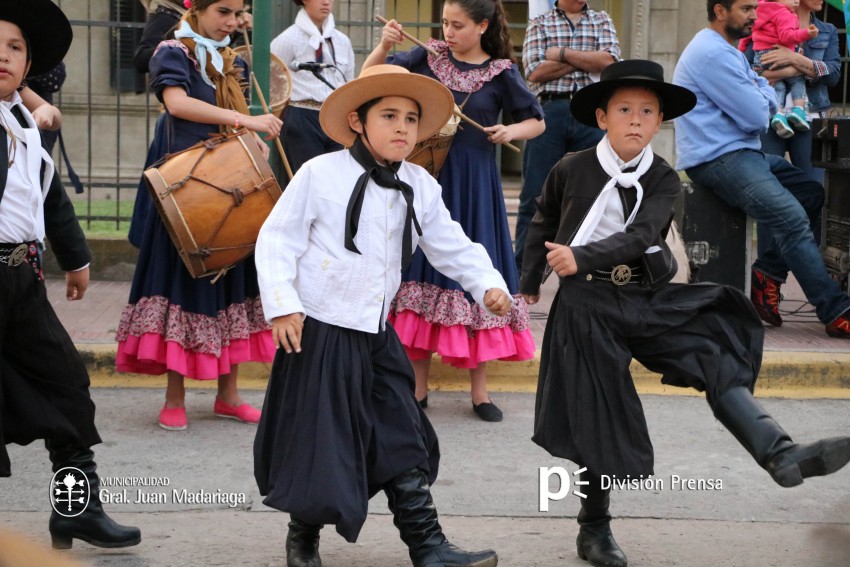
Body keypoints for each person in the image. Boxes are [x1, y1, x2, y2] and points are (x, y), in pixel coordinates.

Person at [521, 58, 850, 567]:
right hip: (585, 303)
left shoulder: (663, 178)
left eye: (647, 111)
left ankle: (780, 452)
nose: (635, 120)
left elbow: (639, 236)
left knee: (713, 346)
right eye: (624, 109)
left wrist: (580, 254)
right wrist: (528, 285)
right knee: (596, 411)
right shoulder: (572, 168)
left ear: (659, 122)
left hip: (643, 298)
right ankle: (595, 529)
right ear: (602, 118)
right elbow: (541, 220)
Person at [253, 64, 507, 567]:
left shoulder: (418, 183)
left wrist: (489, 285)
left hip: (376, 333)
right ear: (357, 121)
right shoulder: (319, 174)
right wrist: (282, 304)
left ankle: (429, 547)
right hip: (320, 329)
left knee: (401, 430)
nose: (402, 128)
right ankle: (302, 540)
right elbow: (277, 238)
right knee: (318, 441)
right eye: (389, 116)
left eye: (411, 119)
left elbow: (451, 244)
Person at [0, 0, 141, 550]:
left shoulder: (24, 124)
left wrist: (76, 258)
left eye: (15, 48)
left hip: (22, 281)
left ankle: (75, 512)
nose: (4, 56)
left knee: (66, 387)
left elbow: (48, 196)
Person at [362, 0, 545, 421]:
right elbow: (371, 79)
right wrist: (383, 44)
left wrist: (510, 130)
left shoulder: (501, 72)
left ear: (482, 26)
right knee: (422, 273)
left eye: (458, 25)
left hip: (476, 187)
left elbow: (536, 121)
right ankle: (418, 387)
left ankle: (480, 393)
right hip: (428, 181)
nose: (448, 31)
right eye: (445, 22)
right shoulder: (426, 56)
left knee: (480, 274)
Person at [115, 0, 283, 431]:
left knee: (230, 284)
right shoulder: (174, 50)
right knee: (180, 284)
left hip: (230, 180)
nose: (233, 21)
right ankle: (175, 396)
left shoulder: (230, 59)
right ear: (198, 9)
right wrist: (241, 118)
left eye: (238, 12)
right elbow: (177, 104)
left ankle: (228, 395)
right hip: (185, 180)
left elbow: (234, 120)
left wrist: (249, 135)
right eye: (223, 12)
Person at [674, 0, 850, 336]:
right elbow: (758, 115)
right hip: (719, 159)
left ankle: (767, 273)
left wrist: (760, 91)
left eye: (755, 7)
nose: (755, 14)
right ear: (720, 11)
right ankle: (837, 310)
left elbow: (760, 93)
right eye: (746, 8)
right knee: (792, 218)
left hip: (741, 153)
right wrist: (762, 92)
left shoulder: (727, 50)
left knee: (811, 193)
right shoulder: (713, 53)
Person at [513, 0, 619, 275]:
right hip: (550, 112)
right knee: (535, 195)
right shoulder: (541, 21)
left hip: (590, 115)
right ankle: (525, 269)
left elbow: (608, 64)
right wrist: (586, 59)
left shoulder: (602, 20)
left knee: (592, 194)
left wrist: (560, 53)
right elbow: (534, 71)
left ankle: (588, 268)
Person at [745, 0, 838, 185]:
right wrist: (791, 71)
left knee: (815, 188)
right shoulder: (761, 22)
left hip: (809, 117)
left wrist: (794, 59)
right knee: (767, 186)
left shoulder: (827, 30)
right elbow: (746, 71)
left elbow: (833, 75)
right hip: (771, 116)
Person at [270, 0, 355, 173]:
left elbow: (349, 80)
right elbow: (273, 81)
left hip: (335, 116)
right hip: (302, 114)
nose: (326, 2)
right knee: (309, 178)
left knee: (338, 178)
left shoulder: (342, 41)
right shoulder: (287, 39)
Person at [739, 0, 817, 138]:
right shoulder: (784, 13)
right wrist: (806, 34)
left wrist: (740, 52)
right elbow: (786, 36)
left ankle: (778, 113)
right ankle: (799, 110)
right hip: (776, 55)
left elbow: (831, 75)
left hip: (761, 58)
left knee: (778, 86)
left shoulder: (758, 14)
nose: (796, 1)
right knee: (797, 79)